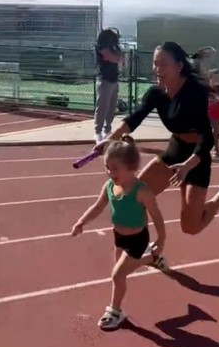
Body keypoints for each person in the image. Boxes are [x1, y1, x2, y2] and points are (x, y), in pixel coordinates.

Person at [94, 41, 219, 236]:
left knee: (190, 227)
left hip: (196, 158)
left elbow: (207, 138)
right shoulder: (156, 93)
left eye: (163, 64)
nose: (157, 69)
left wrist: (187, 166)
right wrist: (111, 139)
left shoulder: (193, 93)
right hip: (175, 150)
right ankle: (144, 250)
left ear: (179, 66)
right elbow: (135, 118)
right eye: (155, 63)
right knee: (135, 198)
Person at [70, 135, 168, 330]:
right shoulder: (108, 187)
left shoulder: (141, 190)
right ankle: (153, 259)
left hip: (138, 239)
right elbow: (98, 207)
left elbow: (156, 214)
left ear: (131, 167)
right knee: (121, 273)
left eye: (115, 168)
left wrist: (162, 238)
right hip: (119, 237)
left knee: (117, 275)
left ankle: (115, 311)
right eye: (107, 167)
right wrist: (82, 222)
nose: (110, 172)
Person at [94, 27, 125, 142]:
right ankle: (98, 131)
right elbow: (111, 58)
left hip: (114, 79)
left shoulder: (114, 48)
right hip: (104, 80)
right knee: (102, 107)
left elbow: (121, 58)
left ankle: (108, 129)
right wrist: (118, 56)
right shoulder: (101, 47)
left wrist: (119, 56)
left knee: (112, 107)